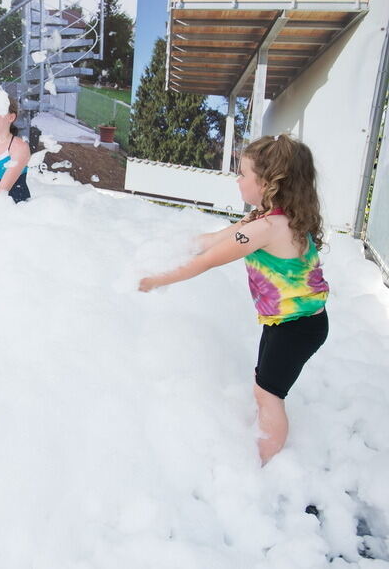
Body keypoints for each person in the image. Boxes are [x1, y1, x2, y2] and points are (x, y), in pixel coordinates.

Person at [138, 135, 329, 465]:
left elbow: (209, 260)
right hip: (290, 321)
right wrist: (170, 246)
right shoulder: (264, 218)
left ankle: (265, 462)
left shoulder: (266, 228)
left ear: (267, 182)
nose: (237, 180)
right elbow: (214, 240)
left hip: (297, 327)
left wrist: (157, 279)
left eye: (243, 174)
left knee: (269, 394)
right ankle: (263, 439)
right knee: (263, 385)